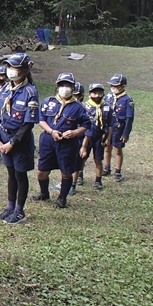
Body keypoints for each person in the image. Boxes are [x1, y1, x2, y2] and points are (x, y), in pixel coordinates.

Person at [0, 53, 39, 224]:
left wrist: (12, 143)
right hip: (4, 137)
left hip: (20, 141)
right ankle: (10, 206)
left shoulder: (30, 92)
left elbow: (28, 124)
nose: (11, 71)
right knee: (10, 174)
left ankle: (20, 210)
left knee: (20, 175)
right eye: (9, 67)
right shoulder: (5, 89)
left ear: (25, 70)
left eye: (15, 67)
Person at [33, 72, 91, 209]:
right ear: (57, 86)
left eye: (68, 85)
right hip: (48, 140)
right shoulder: (48, 102)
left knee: (66, 171)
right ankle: (44, 192)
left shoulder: (78, 107)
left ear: (73, 87)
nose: (65, 88)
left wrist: (75, 132)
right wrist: (51, 131)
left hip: (67, 143)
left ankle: (62, 198)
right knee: (42, 170)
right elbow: (40, 120)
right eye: (62, 85)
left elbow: (86, 125)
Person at [51, 81, 85, 196]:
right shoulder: (57, 104)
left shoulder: (80, 108)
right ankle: (65, 183)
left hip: (77, 140)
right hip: (63, 139)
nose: (75, 97)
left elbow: (87, 126)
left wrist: (81, 140)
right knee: (65, 165)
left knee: (75, 164)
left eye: (77, 95)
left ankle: (73, 184)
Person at [80, 83, 114, 190]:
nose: (97, 95)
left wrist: (108, 138)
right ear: (89, 94)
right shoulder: (84, 107)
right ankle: (80, 175)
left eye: (100, 93)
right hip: (87, 136)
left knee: (98, 159)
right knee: (82, 158)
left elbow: (111, 124)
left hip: (100, 136)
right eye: (95, 93)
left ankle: (98, 180)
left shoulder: (107, 107)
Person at [103, 74, 135, 182]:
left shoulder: (127, 99)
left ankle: (118, 171)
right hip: (108, 127)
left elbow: (129, 118)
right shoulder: (108, 96)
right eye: (112, 85)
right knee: (107, 147)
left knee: (117, 149)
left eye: (116, 86)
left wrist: (125, 134)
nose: (113, 88)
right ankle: (106, 168)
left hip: (119, 128)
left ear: (123, 86)